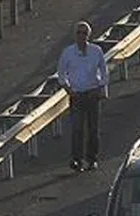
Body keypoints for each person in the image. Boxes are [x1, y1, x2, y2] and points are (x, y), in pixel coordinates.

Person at [57, 21, 109, 171]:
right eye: (79, 33)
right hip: (77, 95)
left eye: (84, 33)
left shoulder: (96, 51)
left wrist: (101, 87)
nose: (81, 36)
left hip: (92, 94)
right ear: (75, 35)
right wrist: (68, 89)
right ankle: (77, 160)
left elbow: (104, 71)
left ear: (89, 35)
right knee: (77, 129)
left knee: (93, 129)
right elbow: (61, 73)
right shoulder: (68, 53)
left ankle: (92, 159)